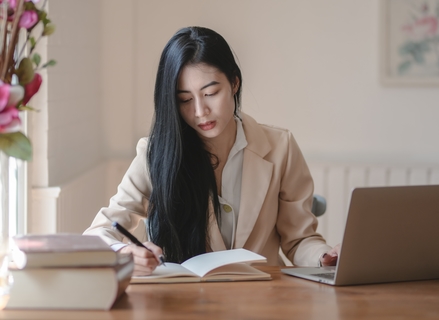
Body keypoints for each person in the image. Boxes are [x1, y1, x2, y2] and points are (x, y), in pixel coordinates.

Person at [84, 26, 340, 276]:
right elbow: (99, 232)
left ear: (234, 83)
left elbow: (300, 239)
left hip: (262, 298)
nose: (199, 111)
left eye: (210, 93)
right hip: (185, 301)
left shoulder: (280, 147)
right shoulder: (155, 153)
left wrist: (324, 256)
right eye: (184, 99)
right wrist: (123, 251)